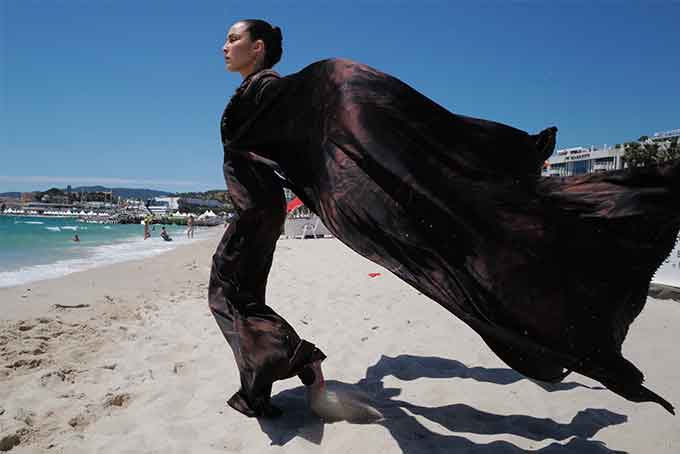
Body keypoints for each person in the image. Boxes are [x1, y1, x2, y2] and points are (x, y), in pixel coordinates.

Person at [210, 19, 680, 419]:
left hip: (256, 214)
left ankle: (293, 367)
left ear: (259, 47)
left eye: (233, 38)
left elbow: (329, 117)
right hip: (257, 212)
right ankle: (282, 372)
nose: (224, 46)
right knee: (236, 292)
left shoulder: (273, 91)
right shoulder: (258, 95)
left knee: (229, 292)